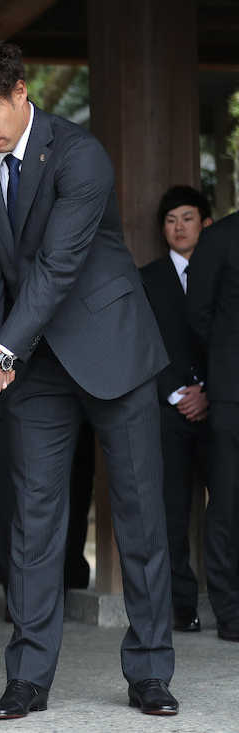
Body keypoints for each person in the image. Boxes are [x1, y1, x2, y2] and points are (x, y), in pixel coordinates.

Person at [0, 38, 177, 718]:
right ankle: (28, 676)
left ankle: (150, 670)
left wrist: (0, 351)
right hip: (35, 363)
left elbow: (57, 266)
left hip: (112, 350)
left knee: (139, 514)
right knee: (34, 519)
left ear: (21, 92)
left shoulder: (81, 154)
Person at [140, 185, 212, 634]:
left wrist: (208, 391)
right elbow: (142, 342)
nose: (179, 227)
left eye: (187, 218)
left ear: (206, 223)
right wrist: (176, 393)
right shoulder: (147, 278)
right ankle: (182, 605)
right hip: (167, 411)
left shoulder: (222, 273)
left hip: (218, 407)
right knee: (172, 510)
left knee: (225, 507)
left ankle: (227, 602)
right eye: (170, 220)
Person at [186, 193, 239, 645]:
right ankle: (231, 611)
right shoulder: (220, 237)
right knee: (227, 502)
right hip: (232, 394)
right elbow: (198, 315)